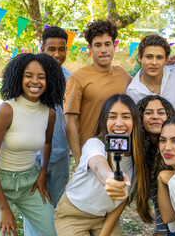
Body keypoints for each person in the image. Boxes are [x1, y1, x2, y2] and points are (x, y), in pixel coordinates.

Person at [0, 53, 65, 236]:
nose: (35, 81)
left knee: (52, 232)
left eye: (41, 77)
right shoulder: (7, 110)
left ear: (50, 80)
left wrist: (42, 173)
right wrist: (4, 208)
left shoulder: (49, 113)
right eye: (28, 75)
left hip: (29, 183)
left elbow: (47, 143)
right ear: (19, 77)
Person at [54, 94, 152, 235]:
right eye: (112, 117)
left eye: (126, 117)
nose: (119, 123)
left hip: (104, 217)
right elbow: (98, 163)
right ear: (104, 121)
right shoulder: (94, 144)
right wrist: (109, 178)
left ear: (135, 121)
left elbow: (122, 201)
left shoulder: (138, 157)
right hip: (72, 215)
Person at [64, 19, 132, 166]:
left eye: (107, 44)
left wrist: (168, 63)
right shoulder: (77, 78)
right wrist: (78, 158)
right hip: (90, 153)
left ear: (114, 46)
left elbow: (144, 85)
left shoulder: (123, 75)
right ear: (90, 48)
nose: (103, 50)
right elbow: (70, 121)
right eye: (97, 45)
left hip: (118, 150)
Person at [33, 26, 71, 208]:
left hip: (61, 156)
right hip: (31, 157)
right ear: (42, 49)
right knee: (36, 208)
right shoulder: (30, 78)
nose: (57, 54)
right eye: (51, 49)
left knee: (57, 208)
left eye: (61, 49)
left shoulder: (71, 80)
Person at [137, 95, 175, 236]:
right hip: (167, 218)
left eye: (161, 112)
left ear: (169, 116)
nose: (155, 117)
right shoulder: (140, 149)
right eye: (148, 113)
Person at [126, 35, 175, 119]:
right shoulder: (133, 91)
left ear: (166, 59)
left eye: (159, 57)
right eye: (149, 57)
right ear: (139, 57)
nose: (154, 62)